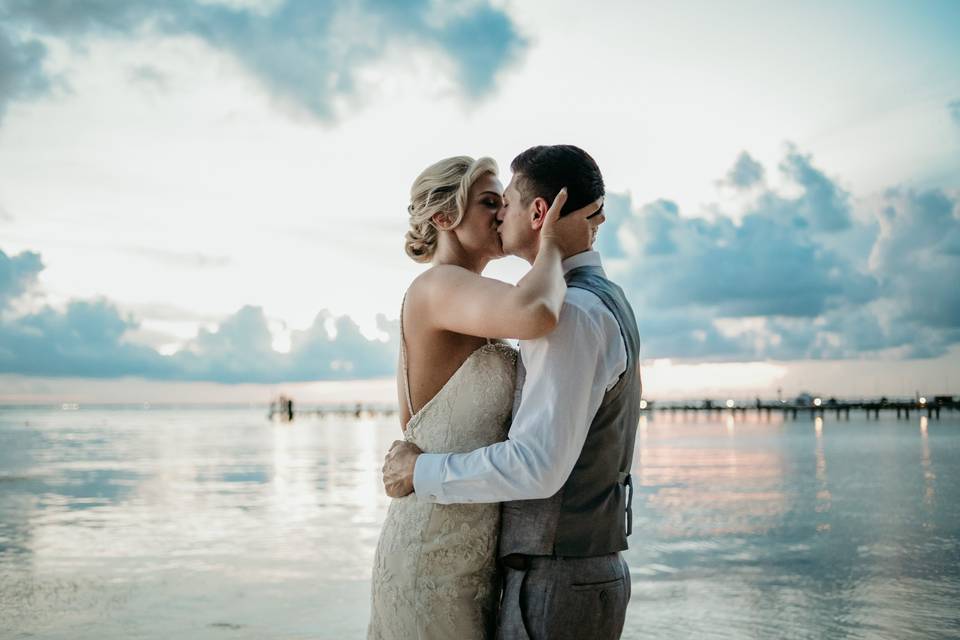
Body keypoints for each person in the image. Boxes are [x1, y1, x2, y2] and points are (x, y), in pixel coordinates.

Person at [382, 145, 642, 640]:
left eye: (505, 201)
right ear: (444, 216)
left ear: (541, 213)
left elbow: (533, 459)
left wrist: (420, 469)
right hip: (442, 542)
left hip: (503, 556)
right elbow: (536, 314)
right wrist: (551, 248)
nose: (502, 212)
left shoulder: (566, 308)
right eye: (488, 202)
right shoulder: (439, 288)